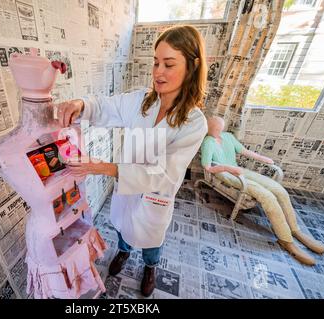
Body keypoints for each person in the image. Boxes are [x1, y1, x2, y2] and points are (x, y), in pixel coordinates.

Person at [57, 25, 208, 296]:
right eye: (156, 62)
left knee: (151, 242)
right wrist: (82, 104)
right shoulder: (142, 101)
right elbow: (106, 106)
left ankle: (150, 267)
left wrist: (105, 168)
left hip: (155, 200)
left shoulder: (194, 123)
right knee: (122, 228)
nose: (158, 72)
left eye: (169, 64)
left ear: (192, 66)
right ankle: (124, 253)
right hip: (127, 194)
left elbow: (165, 176)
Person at [200, 116, 324, 266]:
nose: (218, 131)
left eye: (220, 127)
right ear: (208, 128)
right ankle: (286, 240)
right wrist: (228, 168)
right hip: (226, 174)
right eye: (214, 128)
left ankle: (295, 230)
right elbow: (208, 167)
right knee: (267, 196)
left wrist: (262, 158)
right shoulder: (207, 142)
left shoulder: (228, 137)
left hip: (240, 171)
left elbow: (244, 151)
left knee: (279, 190)